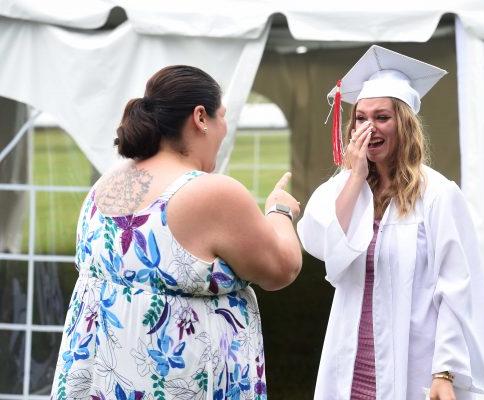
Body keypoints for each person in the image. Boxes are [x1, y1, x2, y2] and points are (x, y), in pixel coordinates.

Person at [50, 65, 302, 399]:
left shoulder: (107, 181)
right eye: (222, 116)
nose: (225, 128)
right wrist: (279, 211)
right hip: (174, 382)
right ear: (201, 117)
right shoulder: (211, 193)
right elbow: (281, 269)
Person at [297, 45, 484, 400]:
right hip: (352, 358)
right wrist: (355, 177)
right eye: (360, 118)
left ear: (404, 123)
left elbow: (454, 288)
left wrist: (445, 371)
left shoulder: (438, 194)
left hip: (414, 363)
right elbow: (325, 244)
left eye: (382, 117)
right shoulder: (345, 185)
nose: (368, 128)